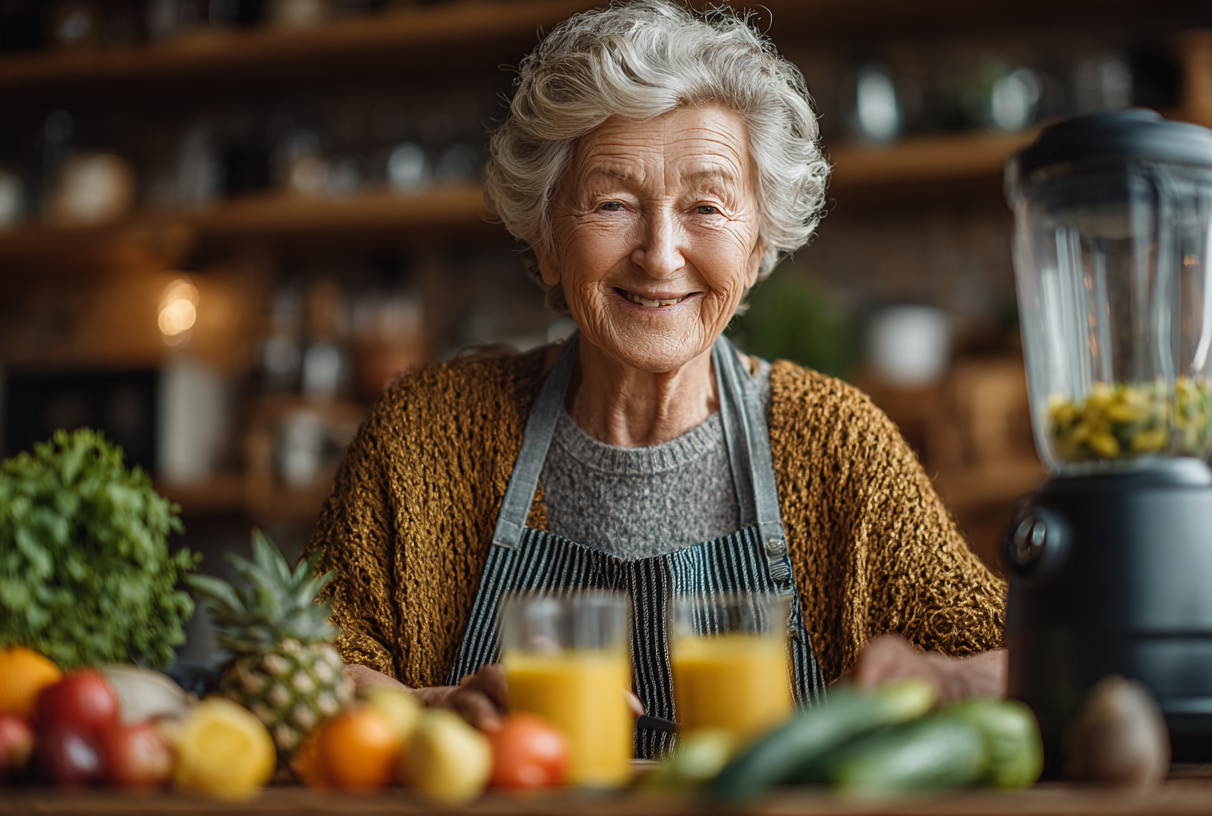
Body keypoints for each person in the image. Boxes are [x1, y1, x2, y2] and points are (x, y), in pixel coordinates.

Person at [303, 0, 1005, 755]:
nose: (661, 254)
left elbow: (1035, 661)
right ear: (545, 242)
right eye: (613, 203)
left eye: (706, 206)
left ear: (758, 247)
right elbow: (310, 669)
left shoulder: (837, 444)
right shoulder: (426, 435)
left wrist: (948, 682)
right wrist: (429, 710)